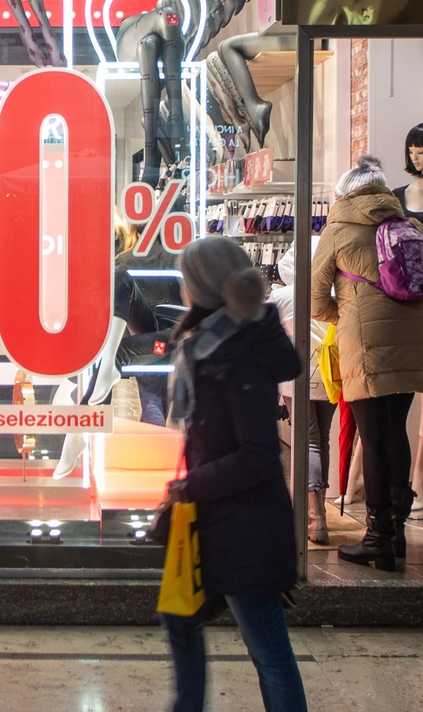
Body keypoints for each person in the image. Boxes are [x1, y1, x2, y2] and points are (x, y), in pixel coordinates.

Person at [163, 235, 307, 712]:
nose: (183, 288)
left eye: (187, 279)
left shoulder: (236, 354)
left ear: (201, 289)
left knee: (267, 648)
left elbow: (259, 455)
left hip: (244, 525)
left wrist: (190, 485)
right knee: (181, 620)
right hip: (217, 520)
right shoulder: (211, 345)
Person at [311, 156, 423, 571]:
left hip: (367, 345)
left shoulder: (339, 230)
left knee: (373, 436)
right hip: (414, 341)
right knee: (395, 430)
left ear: (345, 193)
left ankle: (377, 538)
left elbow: (313, 295)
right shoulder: (411, 226)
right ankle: (396, 533)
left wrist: (345, 317)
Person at [268, 239, 337, 543]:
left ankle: (314, 517)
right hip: (330, 375)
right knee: (322, 439)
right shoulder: (335, 295)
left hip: (296, 376)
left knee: (306, 441)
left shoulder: (282, 296)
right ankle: (319, 509)